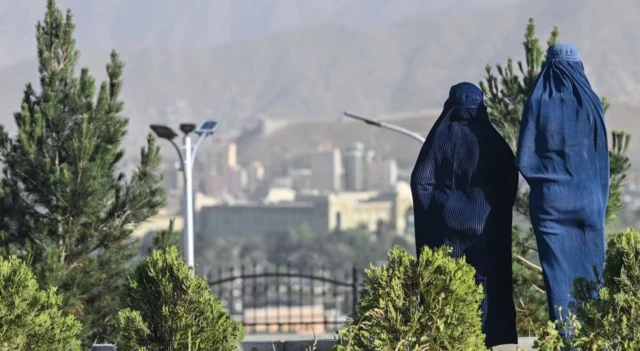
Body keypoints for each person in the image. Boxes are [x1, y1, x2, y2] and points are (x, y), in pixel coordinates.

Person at [411, 82, 518, 347]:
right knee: (485, 287)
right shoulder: (494, 141)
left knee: (446, 288)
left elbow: (420, 181)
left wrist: (438, 210)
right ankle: (485, 339)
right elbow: (509, 183)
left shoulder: (437, 140)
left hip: (445, 232)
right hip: (485, 232)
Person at [516, 42, 609, 328]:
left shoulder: (538, 101)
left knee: (559, 279)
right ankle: (594, 337)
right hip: (588, 202)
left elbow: (524, 157)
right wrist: (596, 200)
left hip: (551, 204)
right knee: (594, 272)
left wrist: (546, 185)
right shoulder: (592, 102)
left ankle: (569, 339)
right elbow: (602, 159)